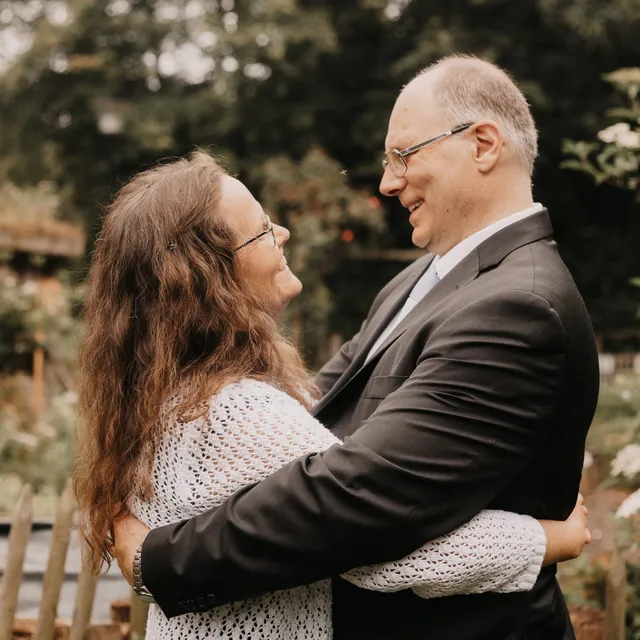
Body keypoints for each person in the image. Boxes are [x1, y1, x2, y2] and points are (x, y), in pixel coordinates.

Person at [110, 54, 600, 639]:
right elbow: (310, 409)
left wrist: (162, 562)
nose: (388, 183)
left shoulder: (520, 306)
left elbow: (364, 497)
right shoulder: (419, 280)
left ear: (484, 145)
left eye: (403, 155)